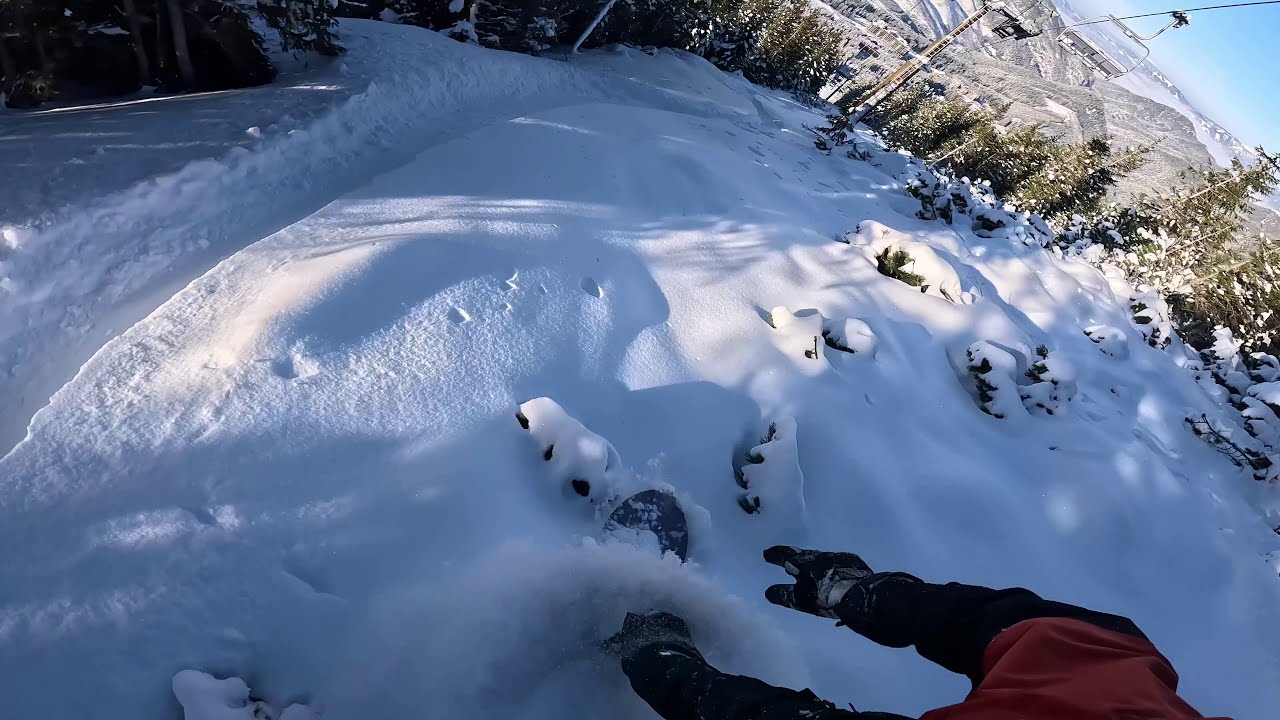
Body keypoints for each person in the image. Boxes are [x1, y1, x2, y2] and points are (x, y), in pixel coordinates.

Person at [607, 546, 1226, 720]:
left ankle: (651, 657)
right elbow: (1075, 645)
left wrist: (676, 675)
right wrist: (871, 599)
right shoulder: (1123, 693)